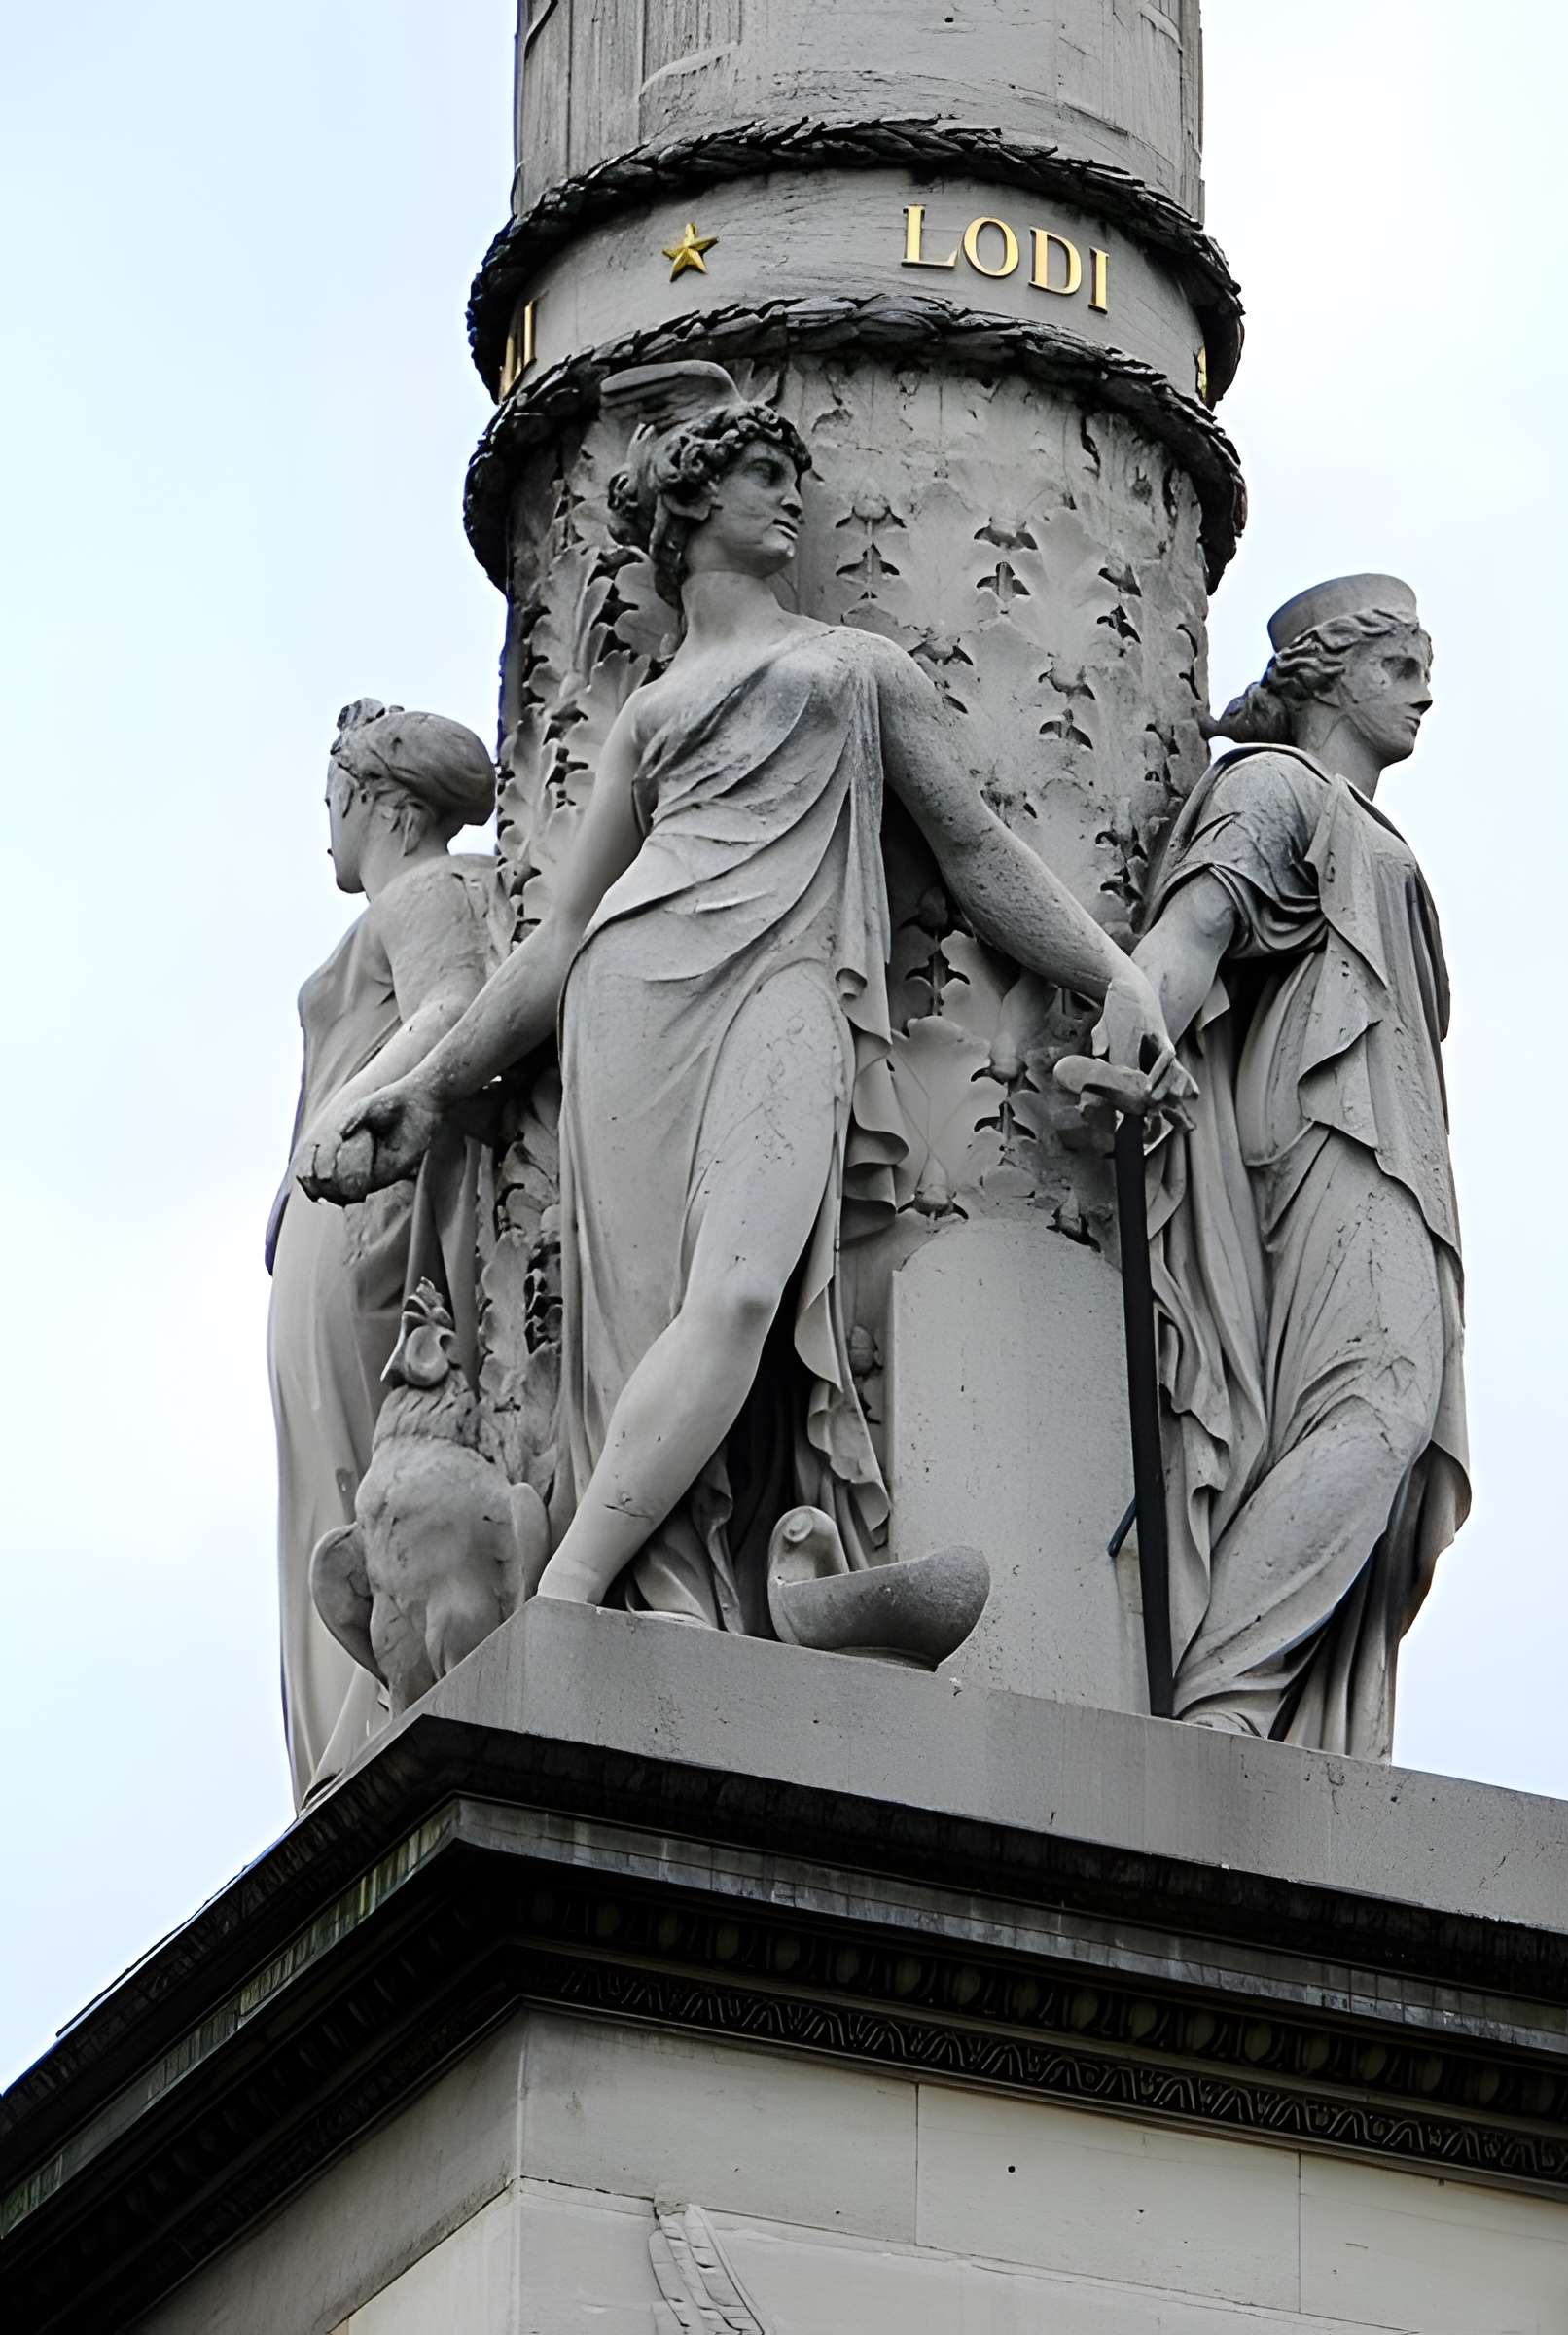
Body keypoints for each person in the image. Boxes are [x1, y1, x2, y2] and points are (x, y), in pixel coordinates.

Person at [302, 362, 1175, 1632]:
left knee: (744, 1295)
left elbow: (978, 851)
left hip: (785, 981)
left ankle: (570, 1593)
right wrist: (424, 1090)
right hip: (631, 998)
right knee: (637, 1329)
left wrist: (1115, 971)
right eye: (765, 481)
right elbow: (554, 947)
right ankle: (667, 1606)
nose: (792, 508)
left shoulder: (855, 669)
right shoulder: (652, 719)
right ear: (691, 506)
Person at [1133, 576, 1470, 1758]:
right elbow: (1192, 928)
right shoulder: (1275, 786)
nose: (1427, 687)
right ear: (1328, 674)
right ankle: (1226, 1697)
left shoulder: (1373, 828)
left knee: (1393, 1426)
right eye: (1400, 663)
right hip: (1332, 1130)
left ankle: (1267, 1706)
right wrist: (1138, 1021)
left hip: (1395, 1149)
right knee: (1376, 1408)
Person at [268, 700, 497, 1802]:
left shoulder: (431, 891)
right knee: (320, 1472)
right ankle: (333, 1742)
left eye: (330, 804)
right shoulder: (394, 905)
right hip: (329, 1208)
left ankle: (370, 1706)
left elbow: (453, 1002)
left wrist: (351, 1114)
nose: (326, 832)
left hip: (367, 1198)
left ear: (372, 800)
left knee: (357, 1467)